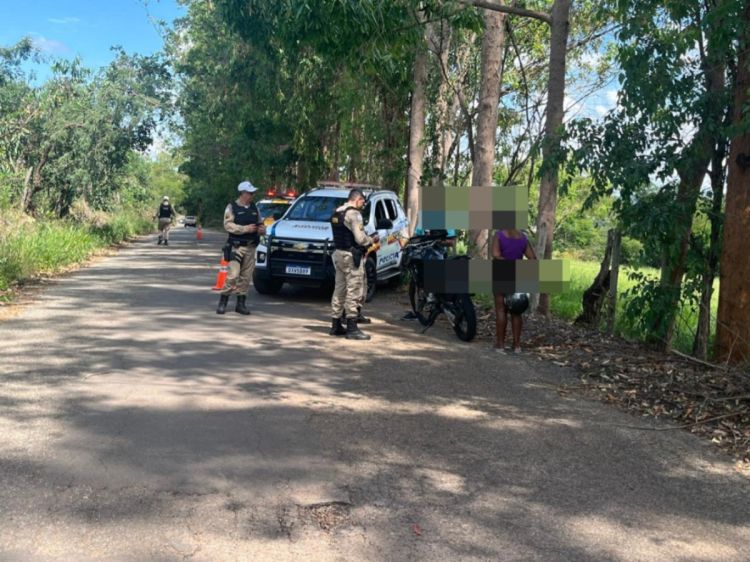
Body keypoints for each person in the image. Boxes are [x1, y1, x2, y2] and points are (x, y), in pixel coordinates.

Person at [330, 189, 379, 340]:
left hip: (338, 254)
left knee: (339, 290)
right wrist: (372, 239)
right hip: (351, 257)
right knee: (354, 290)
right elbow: (360, 239)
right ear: (357, 199)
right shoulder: (354, 214)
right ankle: (352, 328)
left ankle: (336, 324)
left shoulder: (337, 212)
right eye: (362, 202)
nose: (363, 205)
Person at [216, 180, 266, 315]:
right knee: (233, 275)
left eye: (253, 193)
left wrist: (262, 229)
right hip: (236, 247)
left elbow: (261, 223)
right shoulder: (232, 207)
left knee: (246, 277)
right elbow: (228, 225)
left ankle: (241, 304)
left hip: (251, 247)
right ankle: (223, 302)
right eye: (250, 193)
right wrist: (245, 229)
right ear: (243, 193)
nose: (252, 195)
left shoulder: (255, 208)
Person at [492, 228, 537, 353]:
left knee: (501, 310)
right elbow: (532, 259)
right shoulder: (523, 237)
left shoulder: (499, 235)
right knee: (516, 311)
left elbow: (495, 255)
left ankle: (500, 345)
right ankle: (517, 345)